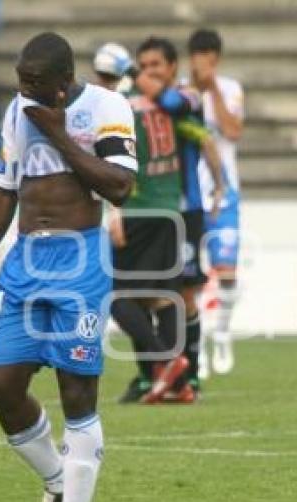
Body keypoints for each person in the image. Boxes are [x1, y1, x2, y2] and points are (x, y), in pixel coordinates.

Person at [0, 32, 136, 502]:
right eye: (20, 81)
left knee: (77, 395)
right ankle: (58, 482)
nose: (24, 91)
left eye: (35, 83)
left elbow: (121, 187)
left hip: (80, 263)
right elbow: (5, 188)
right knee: (0, 387)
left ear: (64, 84)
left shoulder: (107, 108)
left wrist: (61, 138)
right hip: (24, 263)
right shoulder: (19, 110)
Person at [110, 36, 225, 404]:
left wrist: (220, 188)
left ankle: (184, 373)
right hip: (162, 210)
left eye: (156, 65)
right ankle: (160, 378)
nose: (150, 73)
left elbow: (177, 108)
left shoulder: (187, 97)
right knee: (159, 296)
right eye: (144, 66)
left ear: (172, 67)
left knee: (182, 294)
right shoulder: (138, 104)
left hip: (185, 209)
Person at [186, 28, 245, 377]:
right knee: (190, 278)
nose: (204, 64)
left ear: (216, 59)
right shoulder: (180, 91)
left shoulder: (231, 89)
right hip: (190, 192)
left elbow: (232, 131)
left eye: (210, 57)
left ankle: (221, 333)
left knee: (226, 273)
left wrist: (213, 91)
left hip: (225, 193)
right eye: (199, 57)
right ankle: (199, 346)